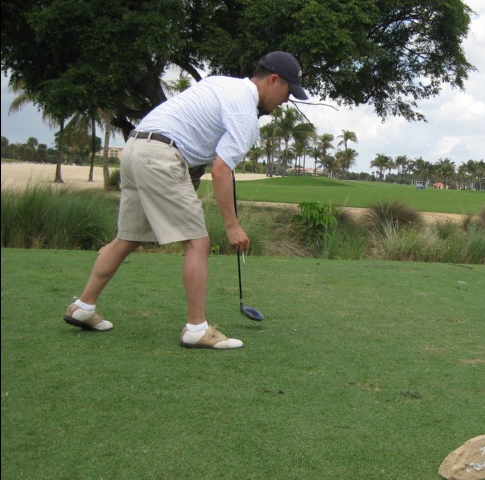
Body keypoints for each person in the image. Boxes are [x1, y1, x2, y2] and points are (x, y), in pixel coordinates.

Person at [64, 51, 309, 349]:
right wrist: (232, 226)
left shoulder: (222, 83)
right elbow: (221, 171)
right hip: (162, 156)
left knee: (127, 237)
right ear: (273, 79)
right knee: (198, 242)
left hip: (135, 148)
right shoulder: (245, 113)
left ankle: (84, 306)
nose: (286, 101)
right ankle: (196, 328)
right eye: (287, 91)